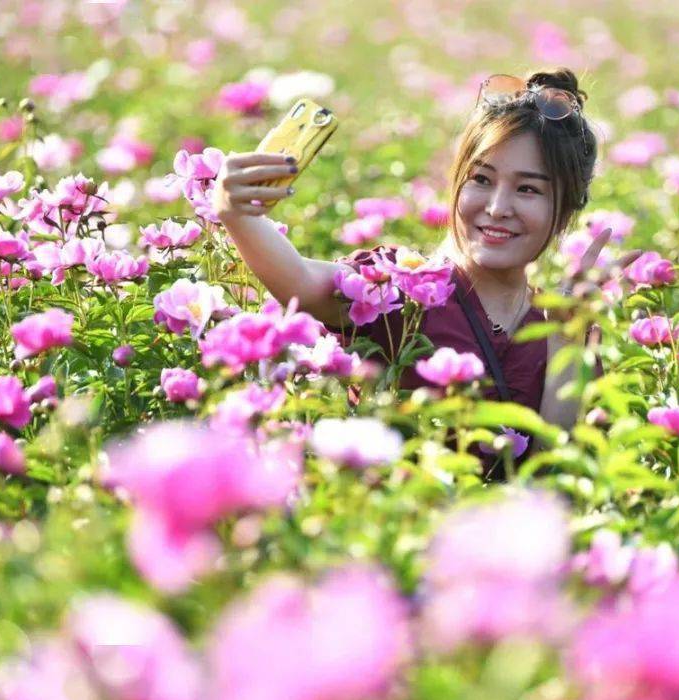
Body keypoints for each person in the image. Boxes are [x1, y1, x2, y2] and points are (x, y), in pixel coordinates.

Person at [213, 67, 636, 471]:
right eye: (481, 180)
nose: (496, 208)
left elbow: (555, 480)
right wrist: (235, 212)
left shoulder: (561, 323)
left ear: (565, 210)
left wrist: (564, 337)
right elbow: (304, 284)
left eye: (527, 189)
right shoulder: (400, 288)